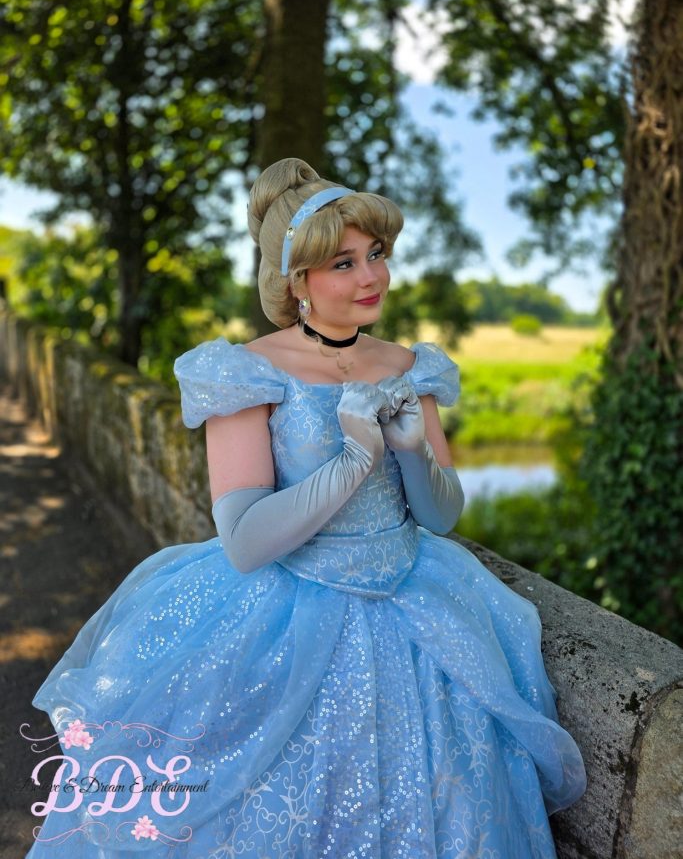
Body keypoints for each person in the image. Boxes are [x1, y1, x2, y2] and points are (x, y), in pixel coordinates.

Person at [25, 158, 586, 858]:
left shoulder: (408, 364)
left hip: (417, 602)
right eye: (344, 263)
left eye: (375, 254)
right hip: (287, 608)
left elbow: (442, 518)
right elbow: (245, 542)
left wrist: (412, 451)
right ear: (296, 282)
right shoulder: (246, 372)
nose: (372, 276)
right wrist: (351, 463)